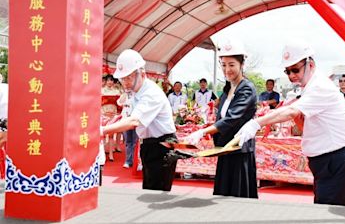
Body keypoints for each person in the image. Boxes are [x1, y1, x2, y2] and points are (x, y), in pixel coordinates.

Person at [237, 40, 345, 206]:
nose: (292, 75)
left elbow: (292, 112)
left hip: (335, 160)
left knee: (328, 215)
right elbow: (305, 127)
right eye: (287, 71)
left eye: (295, 69)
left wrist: (256, 123)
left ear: (311, 64)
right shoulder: (309, 87)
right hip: (326, 161)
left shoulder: (320, 86)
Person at [185, 38, 258, 198]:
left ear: (241, 65)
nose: (227, 69)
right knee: (222, 196)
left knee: (238, 198)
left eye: (231, 65)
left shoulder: (246, 89)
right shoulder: (227, 88)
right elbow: (221, 117)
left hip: (238, 150)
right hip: (225, 149)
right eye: (223, 65)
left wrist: (203, 132)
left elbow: (231, 119)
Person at [101, 49, 177, 191]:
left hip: (162, 146)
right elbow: (127, 115)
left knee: (157, 194)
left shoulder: (151, 93)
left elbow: (133, 121)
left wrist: (102, 130)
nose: (125, 83)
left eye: (128, 78)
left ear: (142, 74)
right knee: (149, 189)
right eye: (122, 79)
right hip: (149, 144)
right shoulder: (134, 92)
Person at [117, 91, 138, 169]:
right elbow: (119, 102)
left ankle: (136, 161)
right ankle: (128, 161)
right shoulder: (125, 95)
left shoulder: (139, 95)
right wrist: (124, 94)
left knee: (136, 142)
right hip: (125, 120)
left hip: (136, 120)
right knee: (128, 141)